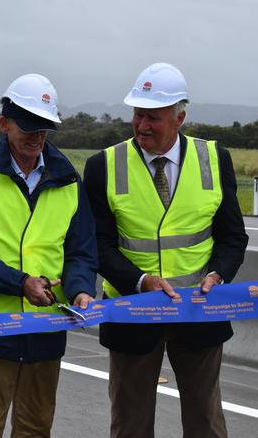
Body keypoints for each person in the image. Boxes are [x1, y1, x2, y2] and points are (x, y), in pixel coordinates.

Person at [83, 63, 249, 438]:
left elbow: (233, 237)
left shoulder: (213, 159)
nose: (142, 125)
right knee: (130, 423)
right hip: (132, 313)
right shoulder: (103, 166)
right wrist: (140, 281)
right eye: (137, 114)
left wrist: (217, 274)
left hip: (199, 312)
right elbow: (98, 244)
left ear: (179, 119)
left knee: (206, 421)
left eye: (152, 117)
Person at [0, 73, 98, 438]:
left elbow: (81, 251)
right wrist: (20, 283)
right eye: (28, 126)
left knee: (35, 429)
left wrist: (78, 289)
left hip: (46, 331)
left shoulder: (68, 181)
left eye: (44, 127)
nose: (37, 136)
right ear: (4, 124)